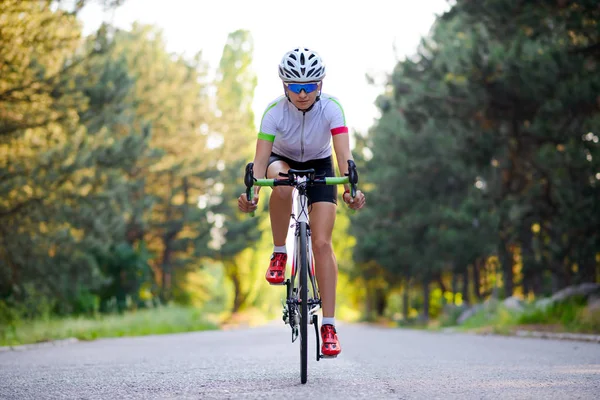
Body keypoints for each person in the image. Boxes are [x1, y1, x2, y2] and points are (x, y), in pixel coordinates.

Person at [238, 47, 366, 357]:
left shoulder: (332, 109)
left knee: (322, 244)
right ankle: (280, 252)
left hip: (321, 166)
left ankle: (329, 326)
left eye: (310, 86)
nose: (303, 93)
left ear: (320, 84)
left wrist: (351, 189)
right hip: (282, 162)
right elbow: (259, 162)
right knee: (281, 184)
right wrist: (251, 193)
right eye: (295, 87)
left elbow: (344, 157)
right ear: (285, 86)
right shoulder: (273, 112)